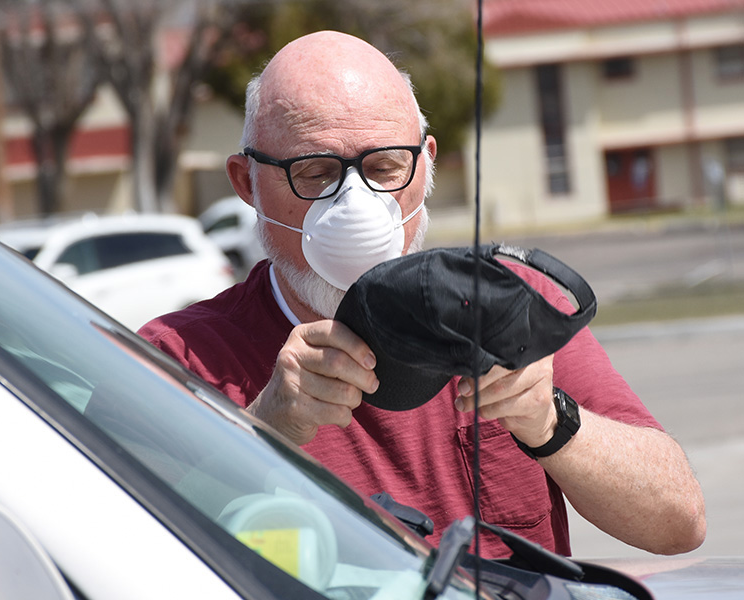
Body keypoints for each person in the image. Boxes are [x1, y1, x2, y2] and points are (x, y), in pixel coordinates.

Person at [139, 30, 705, 558]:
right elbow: (128, 551)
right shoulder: (179, 357)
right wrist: (265, 430)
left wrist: (550, 421)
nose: (354, 204)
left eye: (385, 168)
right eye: (315, 174)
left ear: (426, 165)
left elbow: (679, 521)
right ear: (247, 183)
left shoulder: (503, 305)